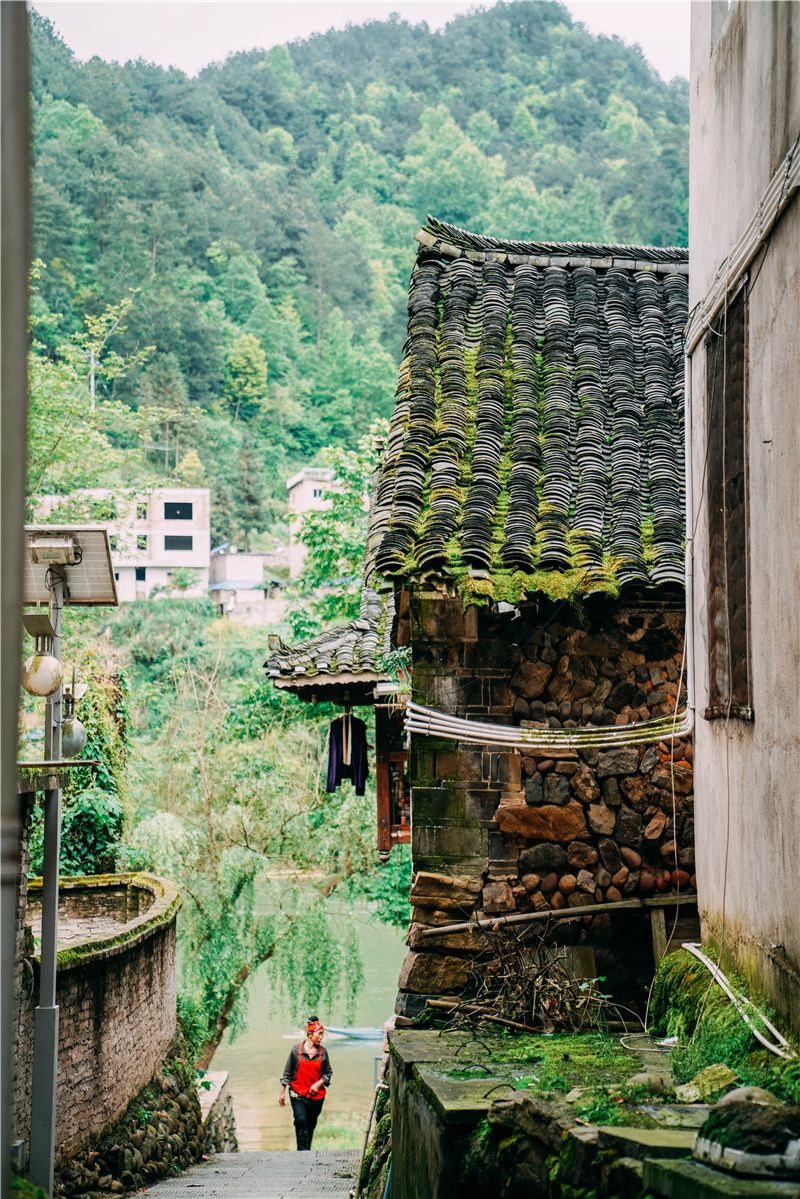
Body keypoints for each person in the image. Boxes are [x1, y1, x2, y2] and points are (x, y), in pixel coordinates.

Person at [279, 1017, 332, 1150]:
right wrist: (282, 1093)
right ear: (310, 1034)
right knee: (300, 1120)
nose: (321, 1037)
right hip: (297, 1093)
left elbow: (328, 1073)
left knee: (310, 1124)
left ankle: (306, 1151)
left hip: (316, 1097)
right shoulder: (296, 1050)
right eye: (319, 1034)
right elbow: (287, 1073)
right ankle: (302, 1152)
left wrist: (317, 1084)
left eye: (322, 1034)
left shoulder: (323, 1052)